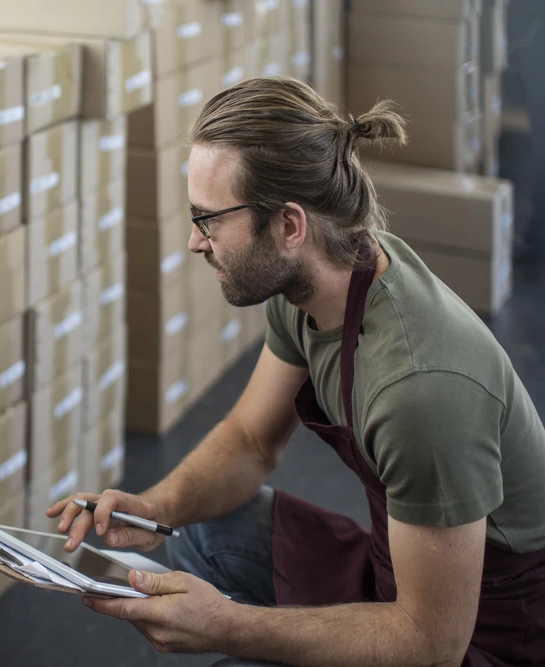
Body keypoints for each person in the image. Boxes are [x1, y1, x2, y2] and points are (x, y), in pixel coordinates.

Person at [48, 77, 545, 667]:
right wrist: (156, 509)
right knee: (203, 531)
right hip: (402, 580)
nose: (193, 242)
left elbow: (430, 645)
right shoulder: (315, 281)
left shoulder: (419, 391)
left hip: (486, 637)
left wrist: (227, 627)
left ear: (288, 225)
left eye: (209, 220)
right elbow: (251, 440)